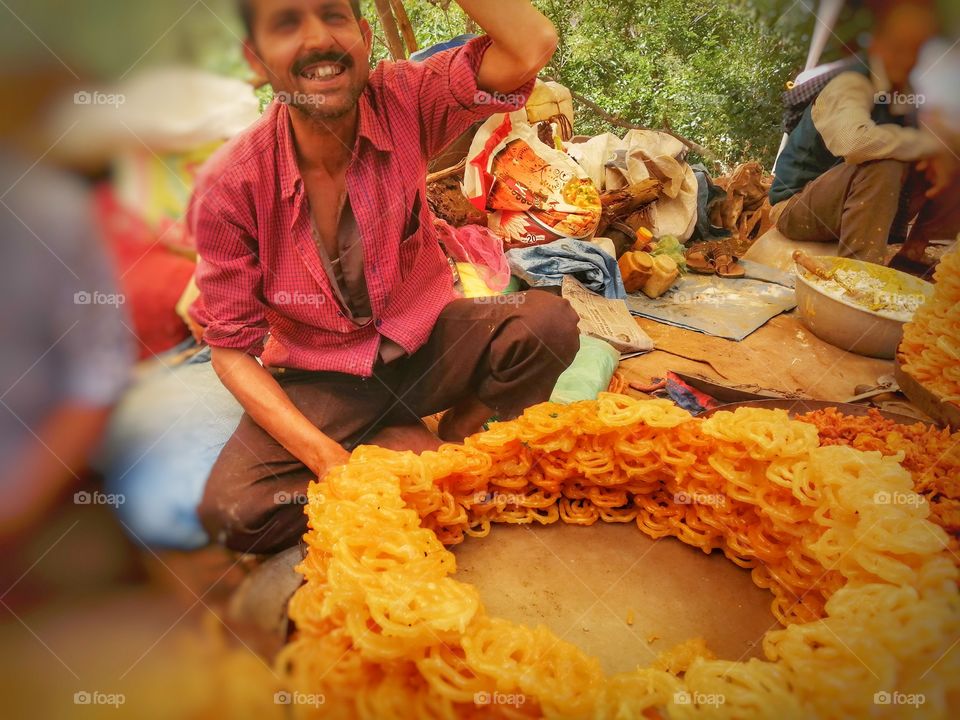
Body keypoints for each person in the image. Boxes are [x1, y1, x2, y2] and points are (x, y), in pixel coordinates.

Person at [190, 0, 580, 553]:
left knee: (547, 320)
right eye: (285, 24)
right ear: (256, 60)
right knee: (233, 514)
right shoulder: (230, 185)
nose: (317, 40)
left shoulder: (405, 98)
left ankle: (455, 438)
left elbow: (530, 43)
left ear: (365, 37)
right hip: (322, 375)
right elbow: (230, 350)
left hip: (427, 347)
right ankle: (395, 440)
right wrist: (328, 459)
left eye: (334, 16)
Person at [770, 0, 958, 269]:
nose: (907, 59)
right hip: (796, 206)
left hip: (853, 202)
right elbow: (855, 143)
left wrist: (940, 153)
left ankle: (913, 254)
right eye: (898, 47)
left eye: (917, 51)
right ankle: (858, 274)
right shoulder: (850, 82)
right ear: (877, 44)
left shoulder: (904, 93)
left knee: (949, 160)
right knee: (885, 160)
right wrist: (928, 146)